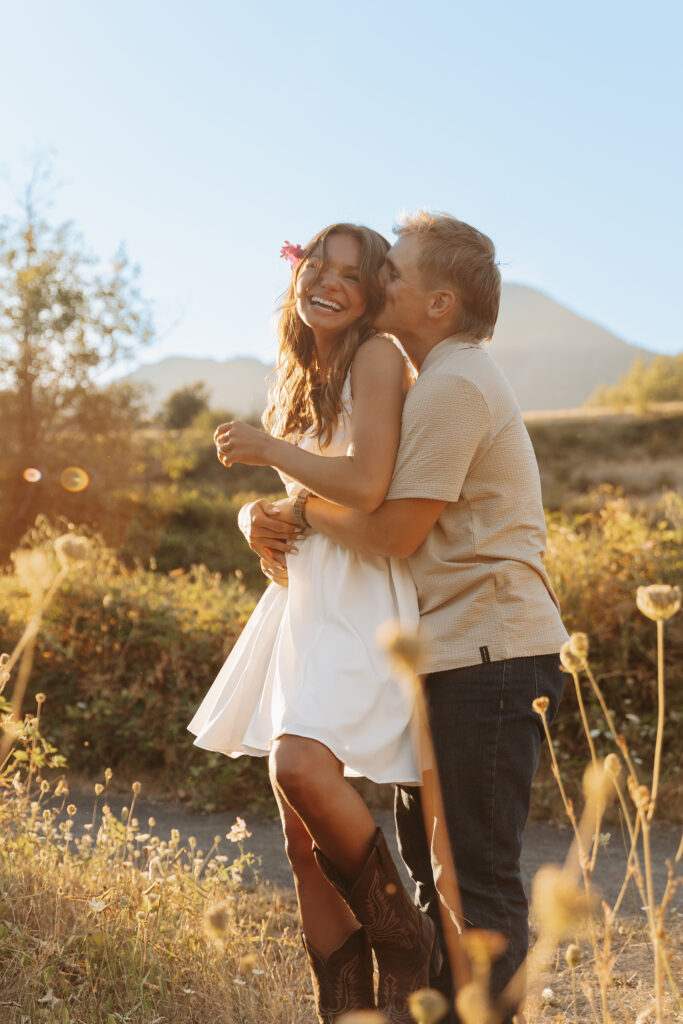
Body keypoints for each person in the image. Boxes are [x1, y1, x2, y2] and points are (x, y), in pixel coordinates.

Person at [241, 211, 570, 1024]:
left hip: (488, 655)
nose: (380, 280)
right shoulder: (431, 376)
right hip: (446, 650)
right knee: (435, 875)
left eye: (393, 273)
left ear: (439, 303)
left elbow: (389, 531)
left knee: (474, 882)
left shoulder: (455, 385)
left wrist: (301, 512)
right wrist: (265, 512)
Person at [188, 222, 439, 1024]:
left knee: (300, 765)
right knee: (299, 838)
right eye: (315, 269)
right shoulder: (299, 371)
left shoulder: (373, 357)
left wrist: (267, 454)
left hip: (361, 596)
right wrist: (249, 515)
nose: (324, 284)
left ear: (372, 296)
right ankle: (349, 1012)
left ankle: (409, 944)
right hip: (302, 596)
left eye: (348, 276)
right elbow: (297, 499)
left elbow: (364, 484)